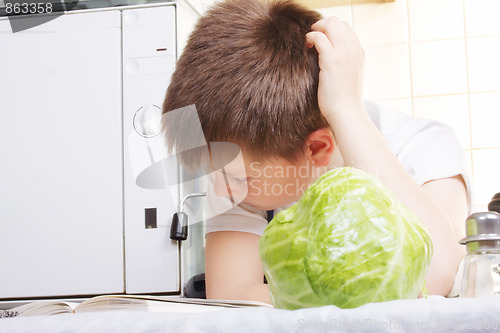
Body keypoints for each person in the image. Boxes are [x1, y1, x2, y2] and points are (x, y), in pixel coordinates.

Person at [162, 0, 470, 304]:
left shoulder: (424, 147)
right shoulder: (235, 170)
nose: (219, 189)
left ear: (318, 148)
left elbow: (438, 274)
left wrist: (346, 109)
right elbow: (232, 293)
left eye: (240, 178)